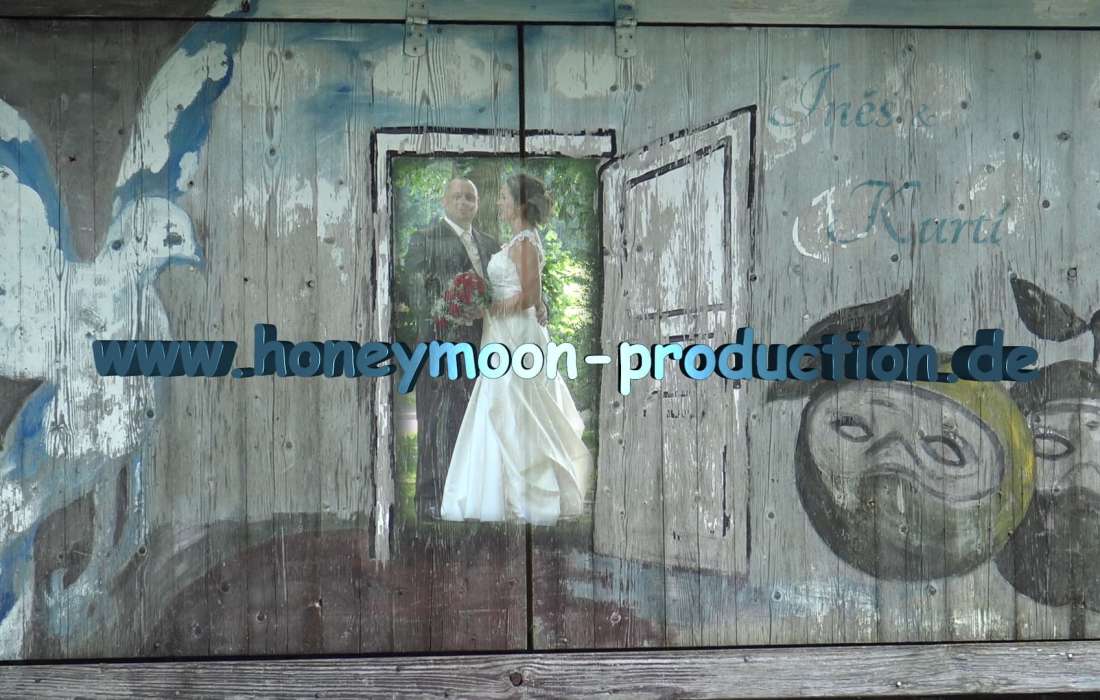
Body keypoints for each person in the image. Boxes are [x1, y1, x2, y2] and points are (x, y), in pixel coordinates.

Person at [440, 174, 593, 525]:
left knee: (515, 406)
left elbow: (529, 296)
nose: (499, 202)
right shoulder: (517, 241)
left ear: (521, 204)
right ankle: (496, 492)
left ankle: (525, 496)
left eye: (505, 197)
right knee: (499, 404)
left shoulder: (525, 242)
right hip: (503, 333)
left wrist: (489, 308)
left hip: (516, 335)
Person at [398, 177, 501, 520]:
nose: (464, 202)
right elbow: (415, 290)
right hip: (439, 345)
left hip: (483, 345)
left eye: (470, 197)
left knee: (473, 420)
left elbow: (506, 288)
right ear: (444, 201)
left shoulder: (490, 244)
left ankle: (467, 495)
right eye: (457, 196)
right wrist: (451, 311)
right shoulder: (424, 239)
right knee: (434, 419)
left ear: (478, 204)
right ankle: (429, 498)